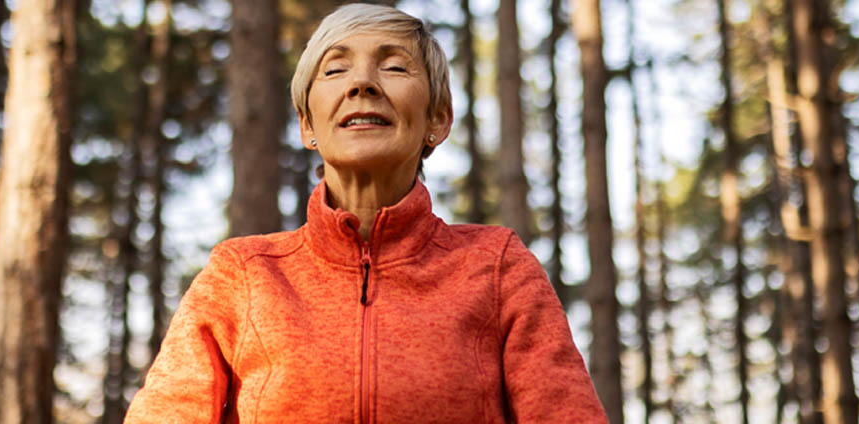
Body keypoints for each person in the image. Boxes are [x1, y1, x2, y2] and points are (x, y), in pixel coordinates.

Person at [125, 4, 606, 423]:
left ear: (437, 119)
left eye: (394, 67)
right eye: (335, 70)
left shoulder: (497, 267)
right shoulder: (242, 275)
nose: (362, 84)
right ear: (307, 124)